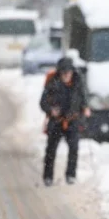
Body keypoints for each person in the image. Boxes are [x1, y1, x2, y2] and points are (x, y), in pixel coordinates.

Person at [39, 57, 90, 186]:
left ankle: (70, 175)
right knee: (51, 150)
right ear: (59, 72)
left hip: (73, 120)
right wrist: (51, 110)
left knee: (74, 148)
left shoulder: (79, 82)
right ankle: (48, 177)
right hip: (56, 121)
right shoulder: (52, 82)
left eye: (68, 72)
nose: (66, 74)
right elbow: (42, 102)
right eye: (64, 72)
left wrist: (85, 110)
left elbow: (84, 99)